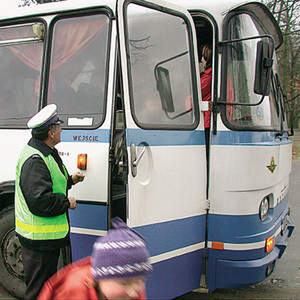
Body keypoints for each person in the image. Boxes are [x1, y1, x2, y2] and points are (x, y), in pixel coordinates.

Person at [15, 104, 85, 300]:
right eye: (59, 126)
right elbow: (39, 201)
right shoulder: (35, 160)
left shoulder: (47, 151)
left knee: (47, 290)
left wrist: (71, 180)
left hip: (46, 241)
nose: (61, 130)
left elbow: (51, 183)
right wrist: (66, 203)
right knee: (38, 291)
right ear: (51, 132)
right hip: (38, 242)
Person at [38, 217, 153, 300]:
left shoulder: (133, 286)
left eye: (141, 280)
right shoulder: (72, 292)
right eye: (123, 283)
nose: (134, 293)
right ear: (98, 278)